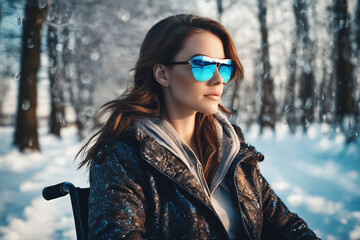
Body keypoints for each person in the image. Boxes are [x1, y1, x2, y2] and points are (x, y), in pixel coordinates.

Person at [78, 14, 320, 240]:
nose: (218, 80)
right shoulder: (122, 155)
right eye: (202, 64)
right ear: (163, 74)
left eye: (223, 67)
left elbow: (286, 225)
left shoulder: (231, 149)